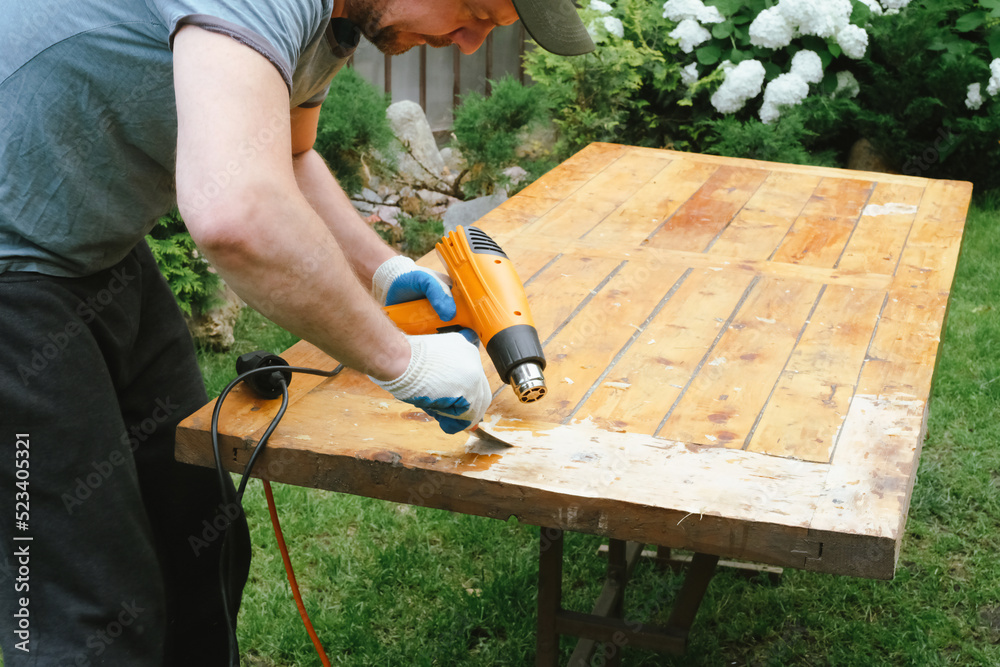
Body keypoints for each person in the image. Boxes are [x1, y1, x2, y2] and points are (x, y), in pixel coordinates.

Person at [0, 0, 593, 664]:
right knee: (83, 608)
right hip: (13, 270)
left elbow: (287, 151)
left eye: (491, 30)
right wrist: (404, 362)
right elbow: (238, 214)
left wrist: (382, 269)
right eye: (474, 10)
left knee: (201, 536)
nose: (466, 42)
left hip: (93, 253)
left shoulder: (335, 21)